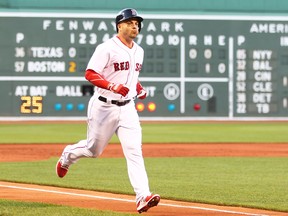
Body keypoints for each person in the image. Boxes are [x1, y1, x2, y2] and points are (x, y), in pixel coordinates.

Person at [56, 8, 160, 213]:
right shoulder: (106, 48)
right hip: (104, 106)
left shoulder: (139, 51)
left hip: (128, 107)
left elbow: (130, 76)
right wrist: (112, 86)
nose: (135, 26)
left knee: (134, 152)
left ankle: (142, 196)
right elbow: (90, 73)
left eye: (137, 23)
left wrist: (138, 88)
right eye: (130, 22)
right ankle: (68, 155)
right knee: (93, 150)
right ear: (119, 25)